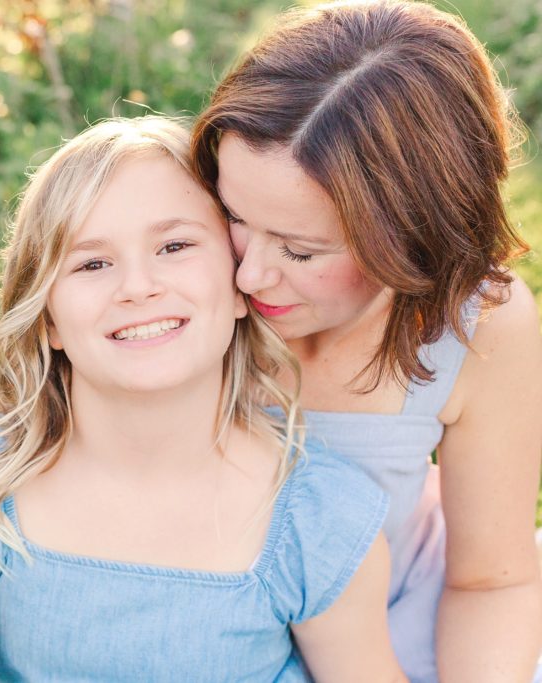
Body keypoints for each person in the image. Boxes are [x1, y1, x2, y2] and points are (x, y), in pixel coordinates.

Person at [0, 116, 407, 681]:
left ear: (241, 283)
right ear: (48, 320)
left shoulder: (317, 519)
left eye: (174, 245)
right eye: (93, 263)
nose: (138, 286)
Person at [190, 1, 542, 681]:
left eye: (300, 249)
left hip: (395, 632)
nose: (249, 272)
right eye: (232, 213)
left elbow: (491, 579)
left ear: (417, 238)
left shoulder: (478, 324)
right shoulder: (168, 280)